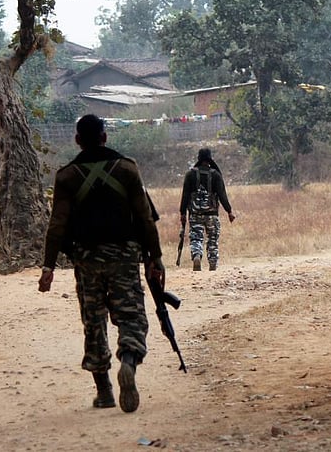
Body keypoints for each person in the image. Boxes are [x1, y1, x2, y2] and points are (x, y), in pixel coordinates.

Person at [38, 114, 164, 414]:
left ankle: (105, 391)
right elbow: (145, 217)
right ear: (105, 137)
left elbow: (57, 225)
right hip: (123, 257)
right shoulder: (126, 168)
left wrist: (48, 268)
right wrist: (155, 257)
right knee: (131, 315)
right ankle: (129, 362)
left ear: (78, 140)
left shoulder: (67, 176)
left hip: (87, 260)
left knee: (94, 322)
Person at [180, 148, 236, 272]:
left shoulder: (190, 174)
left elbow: (185, 195)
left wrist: (182, 213)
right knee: (212, 239)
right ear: (210, 159)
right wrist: (229, 211)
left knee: (196, 238)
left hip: (195, 214)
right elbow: (222, 195)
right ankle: (212, 263)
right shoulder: (215, 174)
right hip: (212, 215)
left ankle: (196, 256)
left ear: (199, 158)